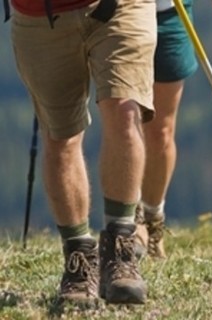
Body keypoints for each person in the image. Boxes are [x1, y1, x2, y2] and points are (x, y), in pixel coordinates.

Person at [10, 0, 157, 305]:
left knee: (125, 111)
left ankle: (121, 251)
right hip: (40, 17)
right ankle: (78, 260)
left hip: (120, 6)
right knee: (62, 137)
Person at [135, 0, 198, 259]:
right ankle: (132, 222)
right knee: (126, 121)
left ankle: (153, 220)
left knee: (161, 131)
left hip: (170, 12)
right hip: (120, 16)